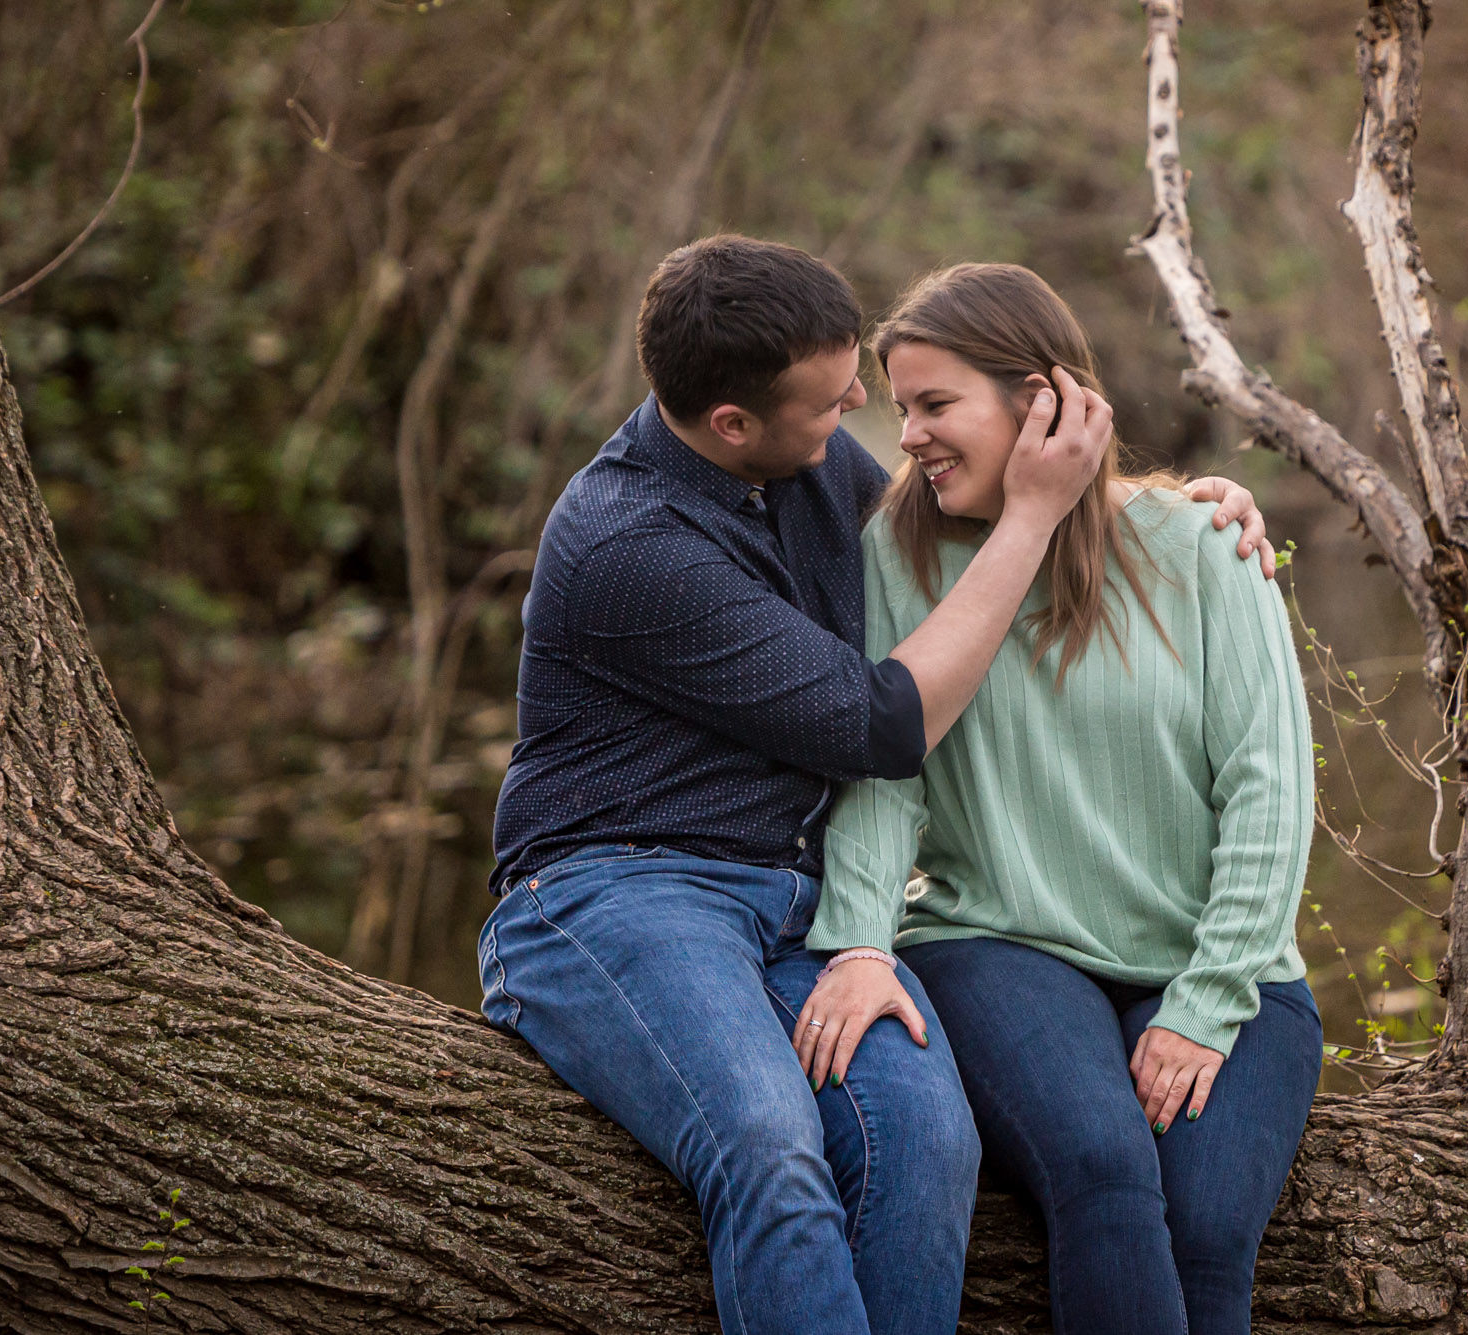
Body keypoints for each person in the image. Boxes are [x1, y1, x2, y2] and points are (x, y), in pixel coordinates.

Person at [476, 235, 1273, 1335]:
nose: (862, 412)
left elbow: (963, 509)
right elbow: (885, 724)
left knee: (926, 1143)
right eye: (831, 402)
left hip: (792, 905)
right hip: (614, 892)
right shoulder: (629, 542)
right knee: (767, 1147)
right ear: (732, 426)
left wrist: (1177, 511)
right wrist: (1041, 513)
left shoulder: (799, 468)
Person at [799, 263, 1321, 1335]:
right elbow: (885, 771)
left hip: (1220, 967)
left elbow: (1268, 793)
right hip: (998, 944)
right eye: (902, 409)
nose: (909, 437)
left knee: (1210, 1230)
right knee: (1102, 1175)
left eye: (935, 405)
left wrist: (1207, 1001)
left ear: (1041, 402)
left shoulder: (1200, 548)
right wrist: (856, 944)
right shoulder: (895, 552)